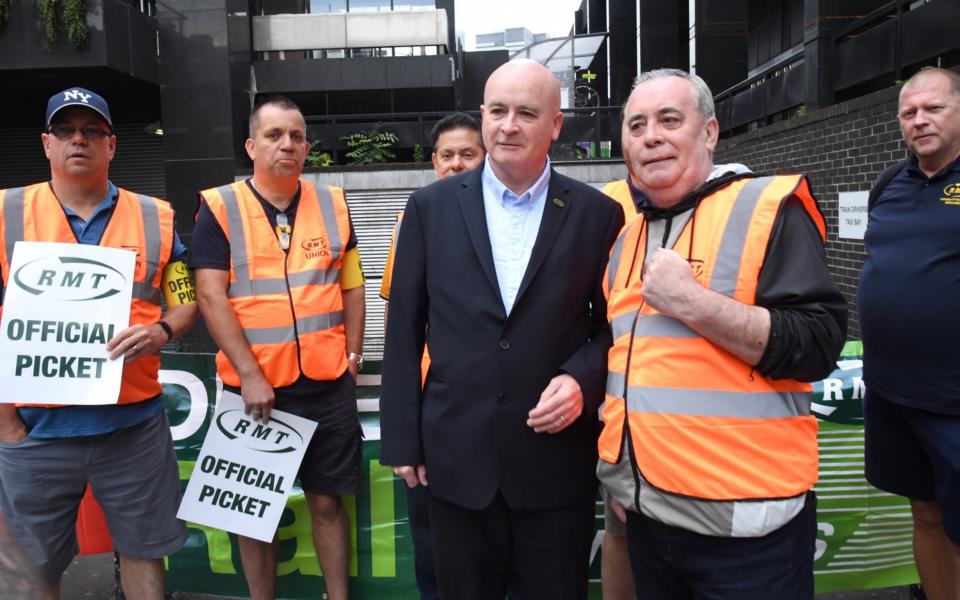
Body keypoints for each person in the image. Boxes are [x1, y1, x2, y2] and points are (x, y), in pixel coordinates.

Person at [597, 68, 847, 599]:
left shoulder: (765, 207)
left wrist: (693, 302)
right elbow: (629, 364)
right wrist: (624, 475)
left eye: (669, 120)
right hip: (649, 516)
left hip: (747, 535)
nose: (651, 137)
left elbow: (818, 344)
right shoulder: (625, 235)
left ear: (708, 132)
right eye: (636, 125)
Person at [380, 59, 624, 600]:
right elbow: (402, 330)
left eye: (525, 113)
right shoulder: (428, 208)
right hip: (453, 457)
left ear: (555, 125)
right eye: (497, 111)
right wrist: (402, 439)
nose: (508, 125)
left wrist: (582, 380)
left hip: (554, 461)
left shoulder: (597, 215)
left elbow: (614, 328)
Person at [0, 86, 197, 600]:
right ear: (46, 143)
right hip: (34, 430)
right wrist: (5, 420)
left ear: (112, 146)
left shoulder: (157, 217)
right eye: (65, 130)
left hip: (133, 426)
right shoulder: (5, 213)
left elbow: (186, 300)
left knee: (143, 553)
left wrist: (163, 330)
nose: (78, 140)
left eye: (93, 131)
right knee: (33, 570)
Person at [192, 95, 365, 600]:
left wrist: (352, 357)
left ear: (307, 147)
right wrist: (249, 373)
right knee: (252, 514)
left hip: (328, 383)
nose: (286, 144)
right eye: (273, 135)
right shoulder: (220, 207)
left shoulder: (333, 203)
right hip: (255, 391)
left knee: (329, 504)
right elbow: (209, 294)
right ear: (251, 145)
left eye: (295, 136)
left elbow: (352, 285)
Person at [858, 66, 960, 600]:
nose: (919, 121)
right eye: (909, 112)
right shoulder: (888, 184)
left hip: (954, 400)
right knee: (924, 511)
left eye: (933, 109)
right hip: (893, 393)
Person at [379, 111, 485, 600]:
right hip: (433, 406)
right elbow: (398, 325)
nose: (457, 164)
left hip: (493, 406)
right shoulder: (414, 217)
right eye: (448, 155)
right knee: (435, 547)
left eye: (469, 154)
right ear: (433, 162)